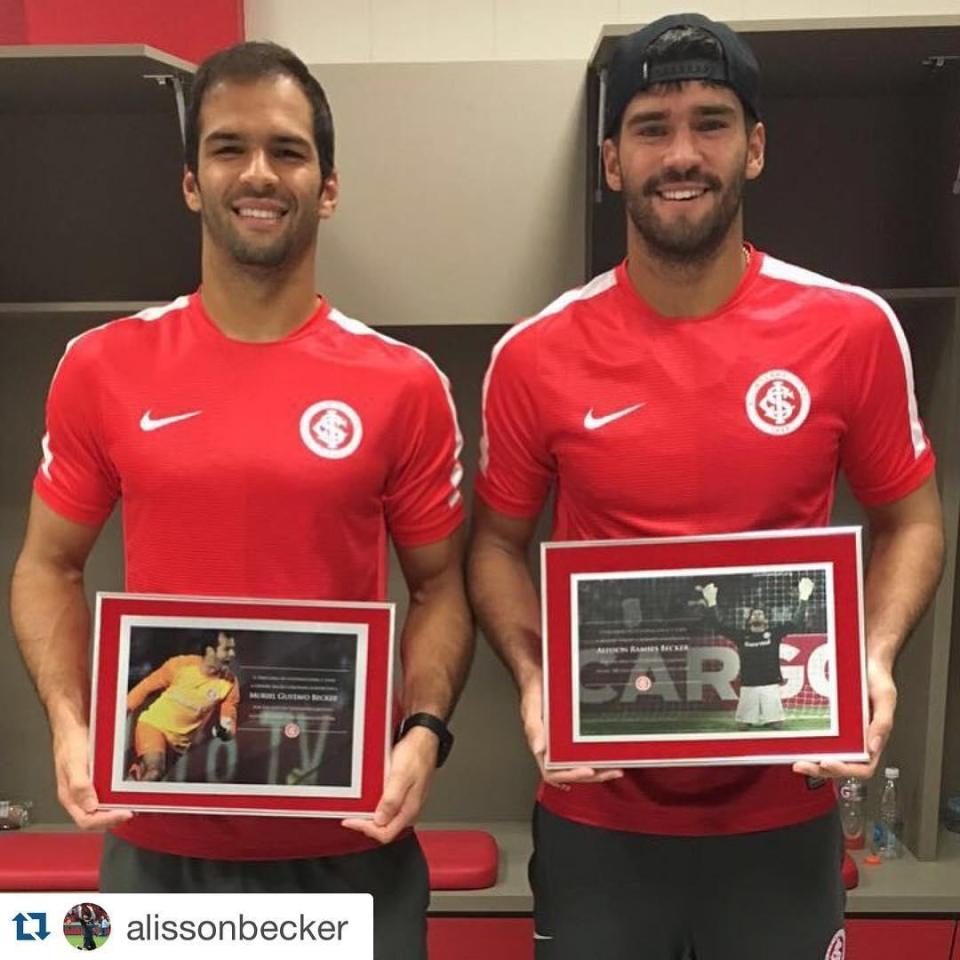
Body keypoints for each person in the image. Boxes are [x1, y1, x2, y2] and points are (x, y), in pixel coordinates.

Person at [467, 12, 943, 959]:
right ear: (611, 161)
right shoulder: (534, 355)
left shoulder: (850, 330)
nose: (682, 152)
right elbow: (492, 545)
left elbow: (914, 523)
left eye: (711, 121)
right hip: (598, 814)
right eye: (651, 126)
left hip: (782, 806)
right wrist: (533, 680)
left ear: (755, 146)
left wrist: (875, 656)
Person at [11, 41, 472, 959]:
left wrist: (422, 735)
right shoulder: (103, 368)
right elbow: (46, 566)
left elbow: (440, 590)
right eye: (228, 148)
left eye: (288, 151)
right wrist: (70, 725)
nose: (258, 173)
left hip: (351, 849)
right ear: (191, 181)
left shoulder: (403, 384)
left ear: (327, 187)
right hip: (159, 851)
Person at [700, 577, 813, 729]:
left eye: (760, 614)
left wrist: (804, 598)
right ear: (749, 620)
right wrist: (712, 602)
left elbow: (796, 622)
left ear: (766, 621)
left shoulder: (774, 633)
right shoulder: (741, 636)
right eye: (754, 614)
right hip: (749, 685)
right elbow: (718, 626)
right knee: (742, 727)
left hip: (770, 684)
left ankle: (769, 719)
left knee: (777, 726)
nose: (757, 616)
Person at [126, 630, 240, 780]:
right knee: (155, 771)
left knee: (141, 778)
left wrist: (226, 731)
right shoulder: (180, 665)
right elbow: (145, 687)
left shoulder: (230, 683)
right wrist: (121, 711)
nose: (232, 654)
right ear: (210, 650)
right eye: (226, 649)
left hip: (178, 747)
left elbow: (229, 719)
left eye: (233, 649)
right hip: (153, 726)